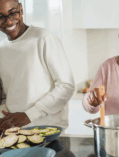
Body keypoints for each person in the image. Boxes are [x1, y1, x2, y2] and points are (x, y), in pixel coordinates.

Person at [0, 0, 75, 130]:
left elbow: (66, 86)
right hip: (16, 132)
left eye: (12, 13)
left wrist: (29, 115)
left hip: (47, 130)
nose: (8, 22)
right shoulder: (2, 49)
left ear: (21, 10)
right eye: (0, 16)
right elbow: (7, 94)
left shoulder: (44, 39)